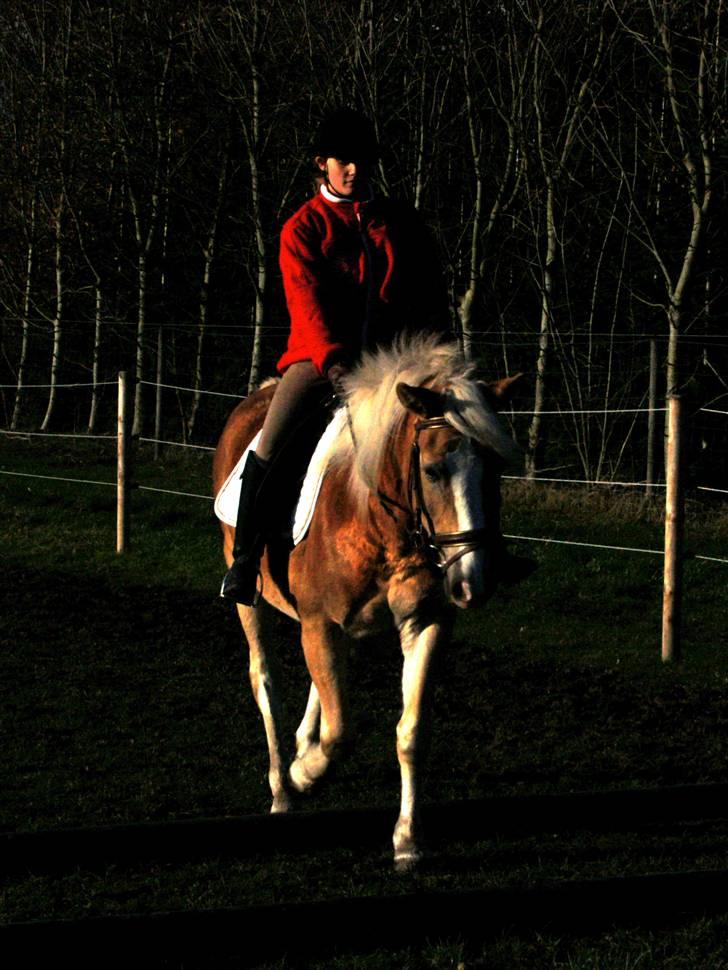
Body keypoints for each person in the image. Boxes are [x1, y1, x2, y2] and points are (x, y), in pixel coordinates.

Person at [220, 106, 451, 604]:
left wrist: (437, 358)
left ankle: (469, 551)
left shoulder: (400, 223)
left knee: (454, 439)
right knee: (270, 442)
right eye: (343, 161)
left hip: (392, 365)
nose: (353, 169)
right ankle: (244, 560)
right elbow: (308, 308)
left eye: (361, 161)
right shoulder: (302, 228)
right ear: (321, 163)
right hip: (319, 364)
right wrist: (336, 364)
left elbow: (428, 296)